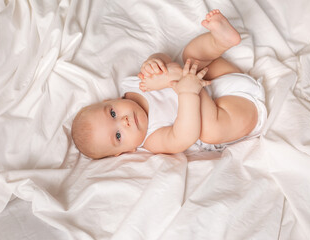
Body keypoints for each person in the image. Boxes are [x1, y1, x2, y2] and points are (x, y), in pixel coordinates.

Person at [71, 9, 267, 159]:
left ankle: (221, 41)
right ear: (126, 151)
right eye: (118, 136)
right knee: (208, 132)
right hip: (233, 113)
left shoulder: (132, 84)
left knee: (191, 58)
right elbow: (184, 136)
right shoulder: (151, 139)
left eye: (113, 113)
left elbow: (163, 57)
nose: (124, 122)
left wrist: (155, 62)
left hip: (218, 77)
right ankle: (184, 79)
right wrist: (187, 93)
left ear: (110, 100)